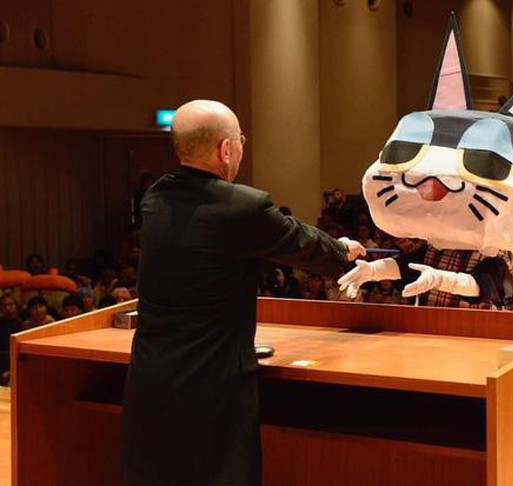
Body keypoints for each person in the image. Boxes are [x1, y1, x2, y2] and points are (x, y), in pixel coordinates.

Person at [123, 100, 365, 486]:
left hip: (151, 376)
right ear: (226, 149)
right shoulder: (241, 207)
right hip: (213, 381)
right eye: (241, 140)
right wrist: (343, 250)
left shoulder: (155, 198)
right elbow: (301, 243)